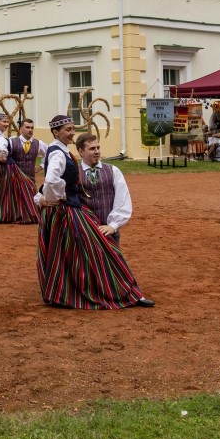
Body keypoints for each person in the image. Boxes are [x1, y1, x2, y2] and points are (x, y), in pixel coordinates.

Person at [35, 115, 154, 310]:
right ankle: (124, 294)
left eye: (73, 128)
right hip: (72, 217)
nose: (72, 132)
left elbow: (123, 200)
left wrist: (113, 224)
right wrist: (53, 197)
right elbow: (49, 180)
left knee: (94, 257)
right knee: (95, 256)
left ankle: (71, 294)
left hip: (88, 220)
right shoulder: (59, 153)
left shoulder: (109, 169)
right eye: (67, 129)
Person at [75, 133, 133, 245]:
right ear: (81, 152)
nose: (97, 151)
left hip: (108, 234)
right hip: (84, 233)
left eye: (98, 147)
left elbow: (123, 200)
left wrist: (113, 226)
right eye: (92, 148)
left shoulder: (113, 171)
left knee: (112, 262)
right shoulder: (74, 173)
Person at [0, 112, 39, 224]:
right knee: (23, 188)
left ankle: (4, 214)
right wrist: (1, 158)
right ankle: (9, 214)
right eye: (4, 122)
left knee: (5, 192)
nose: (6, 124)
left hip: (1, 169)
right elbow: (2, 152)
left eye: (8, 122)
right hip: (7, 168)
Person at [9, 118, 44, 184]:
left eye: (32, 128)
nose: (30, 130)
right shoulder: (11, 142)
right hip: (14, 182)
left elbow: (50, 154)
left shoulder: (38, 143)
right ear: (21, 129)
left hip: (30, 182)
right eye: (27, 127)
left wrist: (41, 166)